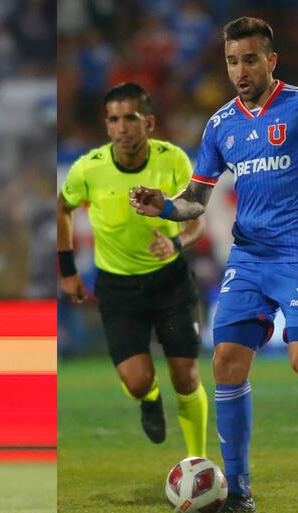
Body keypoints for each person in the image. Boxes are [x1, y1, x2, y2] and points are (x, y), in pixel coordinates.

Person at [130, 17, 298, 513]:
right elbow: (198, 197)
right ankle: (238, 493)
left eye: (250, 59)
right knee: (226, 363)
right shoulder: (221, 125)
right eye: (233, 60)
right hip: (250, 257)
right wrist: (164, 205)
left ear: (271, 60)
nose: (240, 69)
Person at [58, 82, 209, 458]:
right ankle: (150, 399)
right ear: (106, 126)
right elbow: (63, 207)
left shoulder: (172, 160)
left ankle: (198, 461)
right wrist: (67, 269)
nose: (122, 127)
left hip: (170, 283)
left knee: (187, 377)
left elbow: (196, 217)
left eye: (130, 118)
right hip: (118, 290)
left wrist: (175, 243)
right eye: (113, 119)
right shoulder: (88, 169)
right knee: (139, 380)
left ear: (150, 123)